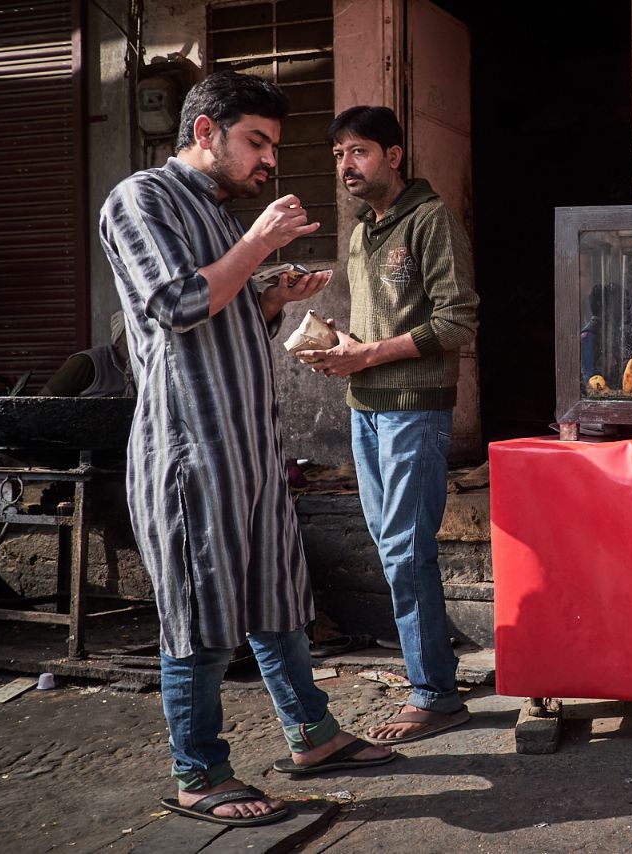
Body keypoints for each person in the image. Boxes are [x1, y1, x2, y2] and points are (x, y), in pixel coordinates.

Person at [98, 71, 393, 828]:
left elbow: (225, 312)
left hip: (251, 443)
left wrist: (271, 296)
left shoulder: (217, 215)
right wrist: (260, 239)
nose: (269, 160)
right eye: (255, 142)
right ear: (204, 133)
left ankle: (313, 734)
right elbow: (178, 304)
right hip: (191, 448)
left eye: (272, 145)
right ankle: (198, 772)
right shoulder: (140, 199)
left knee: (277, 596)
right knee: (200, 610)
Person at [300, 105, 478, 744]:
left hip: (414, 408)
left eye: (360, 152)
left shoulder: (431, 221)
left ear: (394, 156)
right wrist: (340, 347)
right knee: (392, 547)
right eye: (339, 154)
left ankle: (434, 693)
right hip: (365, 410)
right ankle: (433, 678)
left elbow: (457, 322)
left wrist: (368, 355)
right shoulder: (361, 233)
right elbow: (373, 326)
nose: (346, 166)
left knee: (405, 549)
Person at [38, 311, 134, 397]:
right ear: (119, 336)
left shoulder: (144, 368)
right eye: (132, 332)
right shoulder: (86, 363)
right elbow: (44, 402)